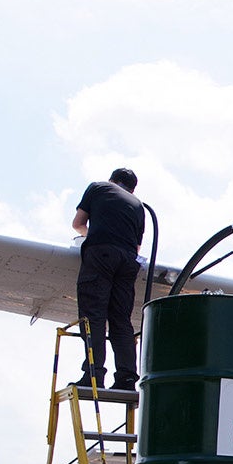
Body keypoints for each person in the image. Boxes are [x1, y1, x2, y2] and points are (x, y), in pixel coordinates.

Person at [71, 167, 145, 390]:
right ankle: (127, 378)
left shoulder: (98, 187)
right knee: (121, 320)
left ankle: (93, 374)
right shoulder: (138, 205)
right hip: (128, 261)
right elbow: (137, 245)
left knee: (93, 315)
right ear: (132, 188)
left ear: (112, 180)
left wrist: (91, 234)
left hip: (101, 254)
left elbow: (78, 224)